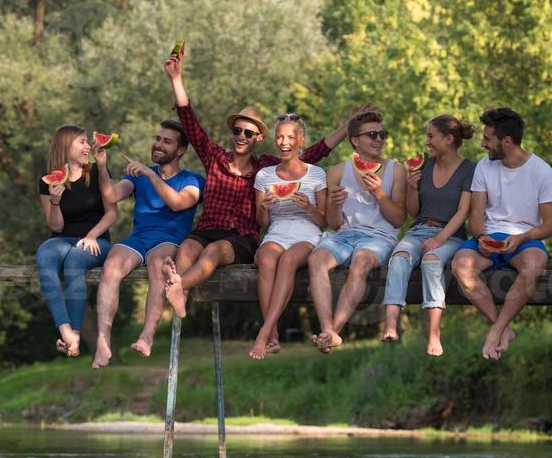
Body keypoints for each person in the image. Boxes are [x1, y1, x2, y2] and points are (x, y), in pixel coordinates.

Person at [162, 51, 369, 318]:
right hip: (207, 229)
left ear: (258, 138)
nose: (241, 136)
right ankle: (176, 304)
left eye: (248, 133)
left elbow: (315, 152)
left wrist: (348, 125)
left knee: (212, 252)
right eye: (237, 131)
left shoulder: (266, 168)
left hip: (241, 238)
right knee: (188, 247)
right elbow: (190, 123)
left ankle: (179, 285)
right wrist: (176, 78)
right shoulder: (214, 158)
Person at [91, 121, 205, 368]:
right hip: (139, 237)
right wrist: (101, 165)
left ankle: (147, 336)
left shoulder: (192, 180)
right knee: (110, 265)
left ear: (181, 150)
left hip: (169, 239)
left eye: (167, 141)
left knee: (157, 264)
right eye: (157, 138)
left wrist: (151, 174)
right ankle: (103, 340)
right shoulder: (138, 177)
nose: (158, 144)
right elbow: (110, 196)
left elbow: (177, 203)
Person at [452, 107, 552, 361]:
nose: (482, 144)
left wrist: (521, 238)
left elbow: (551, 225)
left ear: (507, 141)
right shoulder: (483, 167)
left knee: (534, 264)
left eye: (488, 139)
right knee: (460, 265)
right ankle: (503, 327)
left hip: (525, 240)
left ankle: (496, 330)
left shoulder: (542, 171)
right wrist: (480, 238)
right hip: (488, 238)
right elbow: (476, 216)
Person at [308, 110, 407, 354]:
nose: (379, 139)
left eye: (382, 134)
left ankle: (334, 332)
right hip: (344, 236)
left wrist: (380, 195)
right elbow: (333, 223)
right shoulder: (337, 172)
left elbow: (398, 220)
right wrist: (335, 203)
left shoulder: (397, 170)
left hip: (379, 237)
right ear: (355, 140)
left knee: (361, 261)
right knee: (316, 259)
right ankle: (326, 329)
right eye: (372, 134)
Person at [382, 114, 476, 356]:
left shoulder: (470, 169)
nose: (427, 142)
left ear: (448, 139)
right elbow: (414, 212)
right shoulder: (425, 165)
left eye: (431, 136)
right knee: (399, 257)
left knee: (431, 262)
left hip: (451, 235)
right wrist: (413, 189)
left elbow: (463, 211)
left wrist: (440, 239)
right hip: (419, 230)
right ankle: (391, 324)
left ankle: (434, 335)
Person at [249, 115, 327, 360]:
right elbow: (262, 223)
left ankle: (264, 332)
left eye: (290, 137)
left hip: (308, 232)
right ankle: (273, 335)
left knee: (288, 261)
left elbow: (325, 221)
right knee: (265, 259)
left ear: (301, 140)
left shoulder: (316, 174)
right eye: (280, 137)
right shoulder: (264, 176)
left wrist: (310, 208)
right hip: (278, 230)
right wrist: (265, 207)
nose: (284, 142)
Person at [37, 125, 117, 357]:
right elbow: (56, 226)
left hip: (96, 241)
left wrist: (91, 235)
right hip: (62, 239)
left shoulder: (97, 172)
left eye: (86, 142)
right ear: (66, 145)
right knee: (44, 255)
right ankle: (65, 330)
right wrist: (54, 201)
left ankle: (76, 332)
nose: (87, 146)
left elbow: (112, 213)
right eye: (81, 142)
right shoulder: (47, 181)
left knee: (73, 261)